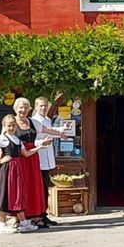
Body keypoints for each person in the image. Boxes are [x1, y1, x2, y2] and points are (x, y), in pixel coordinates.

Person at [0, 110, 51, 232]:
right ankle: (2, 224)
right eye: (8, 125)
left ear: (16, 126)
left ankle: (23, 222)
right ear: (4, 126)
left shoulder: (17, 139)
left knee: (18, 195)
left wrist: (39, 147)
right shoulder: (2, 138)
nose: (11, 128)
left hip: (17, 170)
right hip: (7, 170)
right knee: (4, 195)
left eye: (13, 125)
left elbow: (25, 153)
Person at [30, 96, 69, 228]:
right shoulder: (33, 121)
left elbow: (50, 132)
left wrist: (62, 130)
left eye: (45, 106)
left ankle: (44, 214)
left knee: (45, 187)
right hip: (39, 157)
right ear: (36, 107)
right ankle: (38, 215)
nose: (43, 108)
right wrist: (43, 142)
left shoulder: (47, 119)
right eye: (41, 106)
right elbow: (31, 140)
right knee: (40, 188)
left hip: (48, 158)